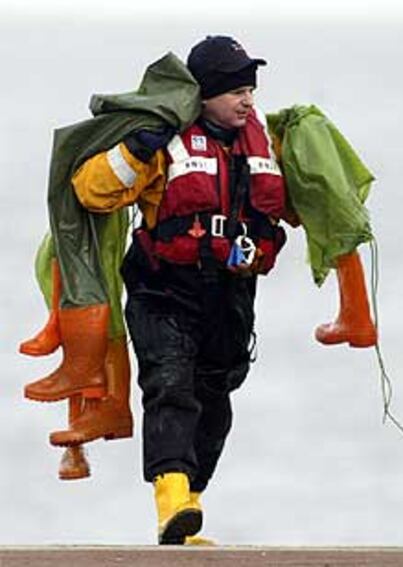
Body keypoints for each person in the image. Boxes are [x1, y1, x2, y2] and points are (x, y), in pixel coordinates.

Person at [45, 35, 293, 544]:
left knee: (215, 399)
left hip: (231, 294)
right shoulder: (164, 142)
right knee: (170, 386)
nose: (247, 100)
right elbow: (90, 191)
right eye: (234, 91)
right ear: (203, 95)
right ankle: (171, 500)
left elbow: (292, 207)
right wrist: (135, 150)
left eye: (250, 89)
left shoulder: (262, 143)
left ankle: (189, 509)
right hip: (165, 291)